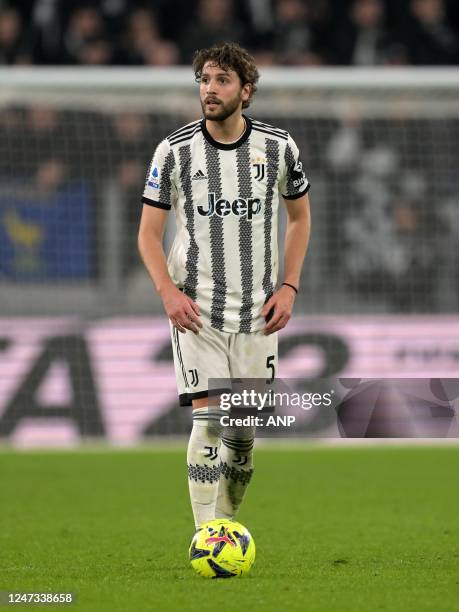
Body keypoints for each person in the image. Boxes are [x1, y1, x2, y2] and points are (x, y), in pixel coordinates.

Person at [138, 42, 311, 530]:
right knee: (209, 417)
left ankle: (228, 525)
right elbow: (148, 234)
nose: (209, 90)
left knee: (241, 434)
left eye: (221, 81)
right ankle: (206, 534)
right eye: (204, 80)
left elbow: (299, 217)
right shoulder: (174, 151)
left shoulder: (278, 148)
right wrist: (168, 293)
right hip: (197, 311)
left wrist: (290, 285)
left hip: (258, 313)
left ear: (245, 90)